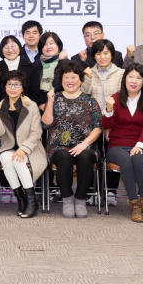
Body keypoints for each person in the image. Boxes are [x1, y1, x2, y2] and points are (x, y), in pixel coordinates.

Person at [42, 60, 102, 218]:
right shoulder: (55, 98)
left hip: (85, 145)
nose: (70, 80)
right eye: (66, 77)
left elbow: (98, 127)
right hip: (59, 146)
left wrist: (84, 144)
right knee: (64, 156)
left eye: (74, 77)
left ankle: (81, 199)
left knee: (86, 157)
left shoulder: (90, 100)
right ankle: (67, 198)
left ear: (80, 80)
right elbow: (46, 124)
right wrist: (50, 101)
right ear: (61, 80)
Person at [0, 71, 47, 218]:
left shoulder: (31, 106)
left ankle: (31, 201)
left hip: (31, 148)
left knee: (17, 159)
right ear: (5, 87)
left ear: (22, 88)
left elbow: (36, 132)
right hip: (9, 147)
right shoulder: (0, 106)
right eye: (9, 84)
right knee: (5, 158)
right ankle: (21, 199)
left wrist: (23, 149)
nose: (13, 87)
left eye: (16, 84)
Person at [102, 63, 143, 222]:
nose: (134, 81)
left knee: (137, 157)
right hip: (117, 146)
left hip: (141, 145)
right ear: (125, 79)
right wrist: (109, 109)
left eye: (138, 78)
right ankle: (134, 203)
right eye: (131, 76)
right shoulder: (115, 98)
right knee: (125, 158)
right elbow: (106, 125)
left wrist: (139, 145)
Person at [81, 39, 125, 206]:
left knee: (111, 155)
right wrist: (87, 79)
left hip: (113, 122)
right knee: (93, 157)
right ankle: (92, 191)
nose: (103, 56)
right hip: (92, 123)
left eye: (106, 53)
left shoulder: (121, 73)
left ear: (112, 54)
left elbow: (123, 99)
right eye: (99, 53)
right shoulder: (88, 72)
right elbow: (83, 96)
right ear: (94, 56)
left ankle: (111, 191)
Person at [0, 35, 40, 104]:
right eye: (6, 47)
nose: (10, 50)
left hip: (26, 107)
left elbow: (35, 92)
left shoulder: (31, 66)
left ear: (19, 48)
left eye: (13, 46)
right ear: (1, 50)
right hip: (2, 108)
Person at [37, 32, 67, 111]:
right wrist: (39, 104)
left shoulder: (66, 63)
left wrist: (63, 61)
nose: (48, 47)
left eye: (51, 43)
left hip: (63, 106)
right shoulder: (36, 65)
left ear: (58, 45)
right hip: (42, 108)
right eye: (45, 44)